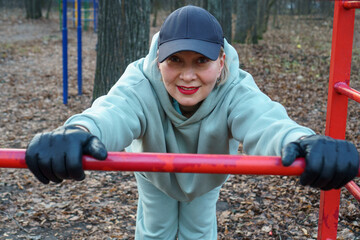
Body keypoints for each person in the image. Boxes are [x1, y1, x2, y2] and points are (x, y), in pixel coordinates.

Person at [25, 5, 359, 240]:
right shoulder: (139, 83)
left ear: (221, 61)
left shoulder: (236, 87)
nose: (188, 75)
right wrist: (77, 132)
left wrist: (302, 140)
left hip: (206, 180)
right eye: (175, 61)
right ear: (159, 61)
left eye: (201, 61)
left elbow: (264, 120)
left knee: (199, 231)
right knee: (155, 230)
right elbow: (112, 111)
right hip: (156, 177)